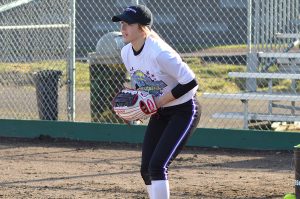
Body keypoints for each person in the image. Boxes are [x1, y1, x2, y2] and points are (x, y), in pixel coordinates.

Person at [112, 5, 201, 199]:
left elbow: (191, 82)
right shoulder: (126, 52)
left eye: (128, 23)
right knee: (146, 169)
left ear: (142, 27)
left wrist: (157, 103)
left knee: (157, 166)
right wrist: (136, 106)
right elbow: (142, 82)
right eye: (122, 23)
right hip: (161, 112)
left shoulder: (160, 53)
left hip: (183, 110)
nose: (123, 28)